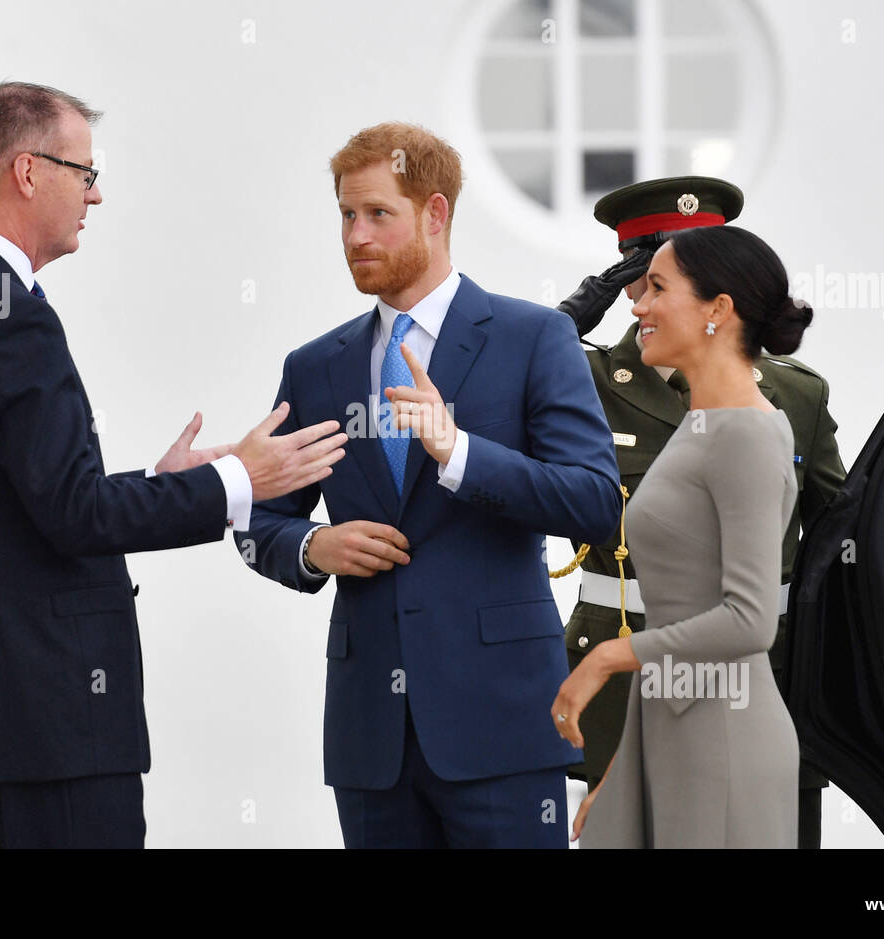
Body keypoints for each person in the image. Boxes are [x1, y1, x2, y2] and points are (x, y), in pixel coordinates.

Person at [0, 82, 346, 848]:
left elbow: (16, 504)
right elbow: (74, 516)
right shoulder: (5, 312)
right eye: (85, 173)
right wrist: (237, 482)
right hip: (49, 713)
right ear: (28, 172)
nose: (97, 195)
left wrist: (165, 485)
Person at [236, 122, 620, 848]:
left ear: (436, 214)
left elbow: (594, 501)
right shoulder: (315, 366)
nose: (355, 234)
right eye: (346, 215)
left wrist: (461, 454)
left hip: (502, 728)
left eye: (378, 213)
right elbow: (257, 523)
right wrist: (314, 544)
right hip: (370, 741)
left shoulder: (535, 338)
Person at [555, 177, 846, 848]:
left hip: (728, 693)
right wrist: (569, 315)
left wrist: (609, 658)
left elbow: (821, 547)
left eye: (663, 283)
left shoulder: (766, 409)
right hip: (654, 695)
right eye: (642, 277)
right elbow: (490, 395)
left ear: (718, 304)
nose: (642, 302)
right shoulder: (607, 384)